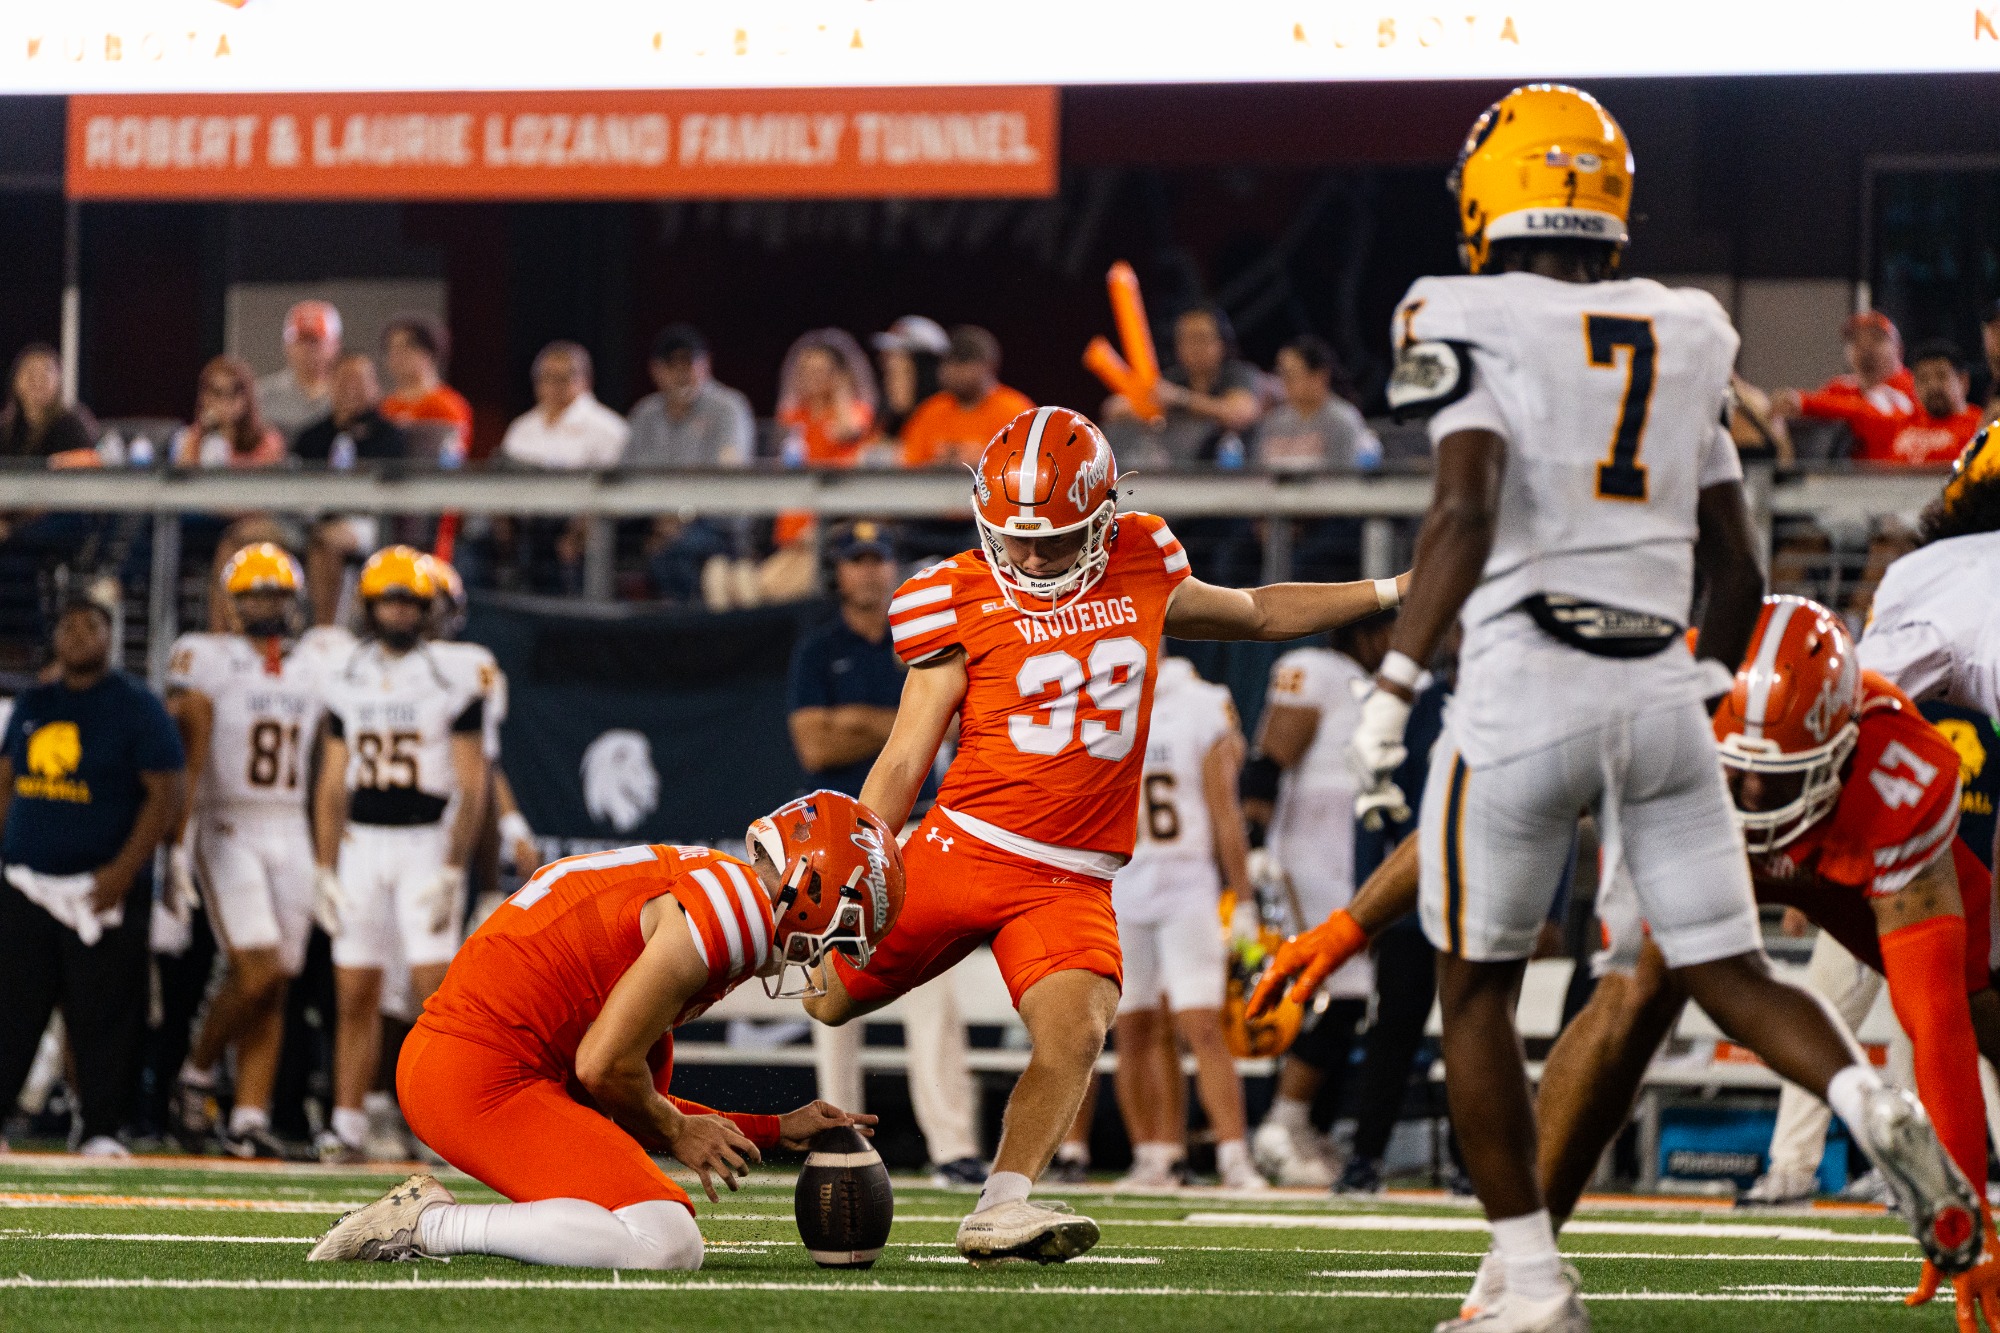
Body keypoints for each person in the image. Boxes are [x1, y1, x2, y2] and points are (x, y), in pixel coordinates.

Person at [1335, 84, 1973, 1330]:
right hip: (1665, 684)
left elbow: (1461, 512)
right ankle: (1868, 1108)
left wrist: (1394, 690)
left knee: (1472, 993)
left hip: (1521, 680)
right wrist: (1686, 690)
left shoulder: (1453, 309)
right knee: (1730, 971)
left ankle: (1528, 1285)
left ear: (1485, 194)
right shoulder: (1689, 328)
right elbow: (1734, 565)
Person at [1260, 596, 2000, 1325]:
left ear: (1842, 742)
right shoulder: (1643, 703)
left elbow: (1934, 1011)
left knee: (1985, 1003)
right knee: (1639, 985)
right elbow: (1478, 810)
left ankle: (1521, 1272)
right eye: (1735, 769)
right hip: (1691, 819)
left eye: (1773, 777)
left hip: (1847, 845)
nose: (1750, 795)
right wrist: (1350, 925)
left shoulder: (1899, 769)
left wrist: (1964, 1205)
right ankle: (1520, 1259)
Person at [801, 404, 1405, 1265]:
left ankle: (1001, 1205)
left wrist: (1391, 590)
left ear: (1104, 514)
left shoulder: (1143, 558)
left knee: (1078, 1030)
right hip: (962, 844)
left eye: (1058, 537)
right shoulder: (953, 592)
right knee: (824, 996)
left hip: (1070, 877)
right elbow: (906, 753)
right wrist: (863, 855)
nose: (1036, 556)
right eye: (1019, 537)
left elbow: (1260, 611)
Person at [307, 792, 892, 1269]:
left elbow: (626, 1090)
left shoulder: (717, 885)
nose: (822, 956)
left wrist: (771, 1128)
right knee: (665, 1243)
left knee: (652, 1149)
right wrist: (678, 1130)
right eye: (837, 936)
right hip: (478, 1076)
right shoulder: (732, 914)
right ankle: (430, 1225)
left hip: (482, 1061)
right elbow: (604, 1069)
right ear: (811, 893)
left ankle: (432, 1222)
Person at [785, 521, 983, 1187]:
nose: (871, 572)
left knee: (932, 991)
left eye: (880, 559)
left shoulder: (923, 639)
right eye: (857, 560)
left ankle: (952, 1143)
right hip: (836, 836)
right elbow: (815, 743)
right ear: (836, 572)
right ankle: (836, 1131)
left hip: (920, 830)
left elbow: (951, 723)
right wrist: (907, 719)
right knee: (829, 995)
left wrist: (862, 723)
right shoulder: (821, 650)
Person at [311, 546, 489, 1163]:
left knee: (433, 994)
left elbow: (473, 782)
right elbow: (331, 785)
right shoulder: (346, 674)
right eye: (390, 600)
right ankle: (347, 1124)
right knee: (354, 991)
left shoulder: (452, 675)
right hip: (363, 843)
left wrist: (451, 866)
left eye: (409, 601)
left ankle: (439, 1122)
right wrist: (324, 868)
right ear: (369, 605)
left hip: (424, 840)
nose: (399, 612)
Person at [164, 544, 342, 1159]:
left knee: (279, 981)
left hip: (288, 825)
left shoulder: (314, 661)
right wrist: (177, 844)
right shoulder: (204, 657)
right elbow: (182, 754)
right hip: (227, 823)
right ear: (231, 602)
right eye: (253, 594)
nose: (265, 605)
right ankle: (195, 1075)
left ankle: (247, 1117)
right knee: (258, 968)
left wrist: (324, 858)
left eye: (275, 593)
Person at [0, 596, 185, 1156]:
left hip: (100, 886)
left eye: (92, 626)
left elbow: (167, 792)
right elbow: (6, 780)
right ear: (54, 637)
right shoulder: (34, 702)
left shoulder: (136, 706)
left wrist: (124, 870)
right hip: (26, 882)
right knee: (11, 1008)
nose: (79, 636)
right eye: (69, 627)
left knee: (104, 1015)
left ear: (110, 637)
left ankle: (102, 1127)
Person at [1247, 614, 1395, 1187]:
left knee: (1349, 999)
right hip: (1312, 860)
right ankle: (1283, 1125)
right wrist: (1257, 843)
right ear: (1361, 632)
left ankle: (1304, 1124)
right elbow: (1267, 765)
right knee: (1340, 993)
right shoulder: (1317, 670)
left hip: (1358, 858)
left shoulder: (1387, 684)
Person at [1106, 656, 1262, 1190]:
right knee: (1133, 1028)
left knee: (1201, 1025)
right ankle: (1155, 1155)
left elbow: (1225, 812)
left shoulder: (1200, 702)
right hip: (1123, 882)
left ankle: (1234, 1157)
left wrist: (1242, 898)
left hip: (1186, 881)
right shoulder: (1097, 698)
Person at [1103, 304, 1264, 467]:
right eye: (1185, 339)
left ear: (1222, 342)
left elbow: (1240, 413)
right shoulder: (1173, 378)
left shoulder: (1239, 373)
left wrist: (1180, 399)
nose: (1194, 347)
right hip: (1176, 470)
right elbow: (1115, 407)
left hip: (1230, 472)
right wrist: (1140, 405)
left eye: (1201, 338)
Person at [1771, 310, 1916, 462]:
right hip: (1848, 480)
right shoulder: (1841, 387)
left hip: (1899, 477)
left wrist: (1805, 402)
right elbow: (1803, 409)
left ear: (1898, 348)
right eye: (1856, 341)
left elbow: (1873, 414)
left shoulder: (1911, 385)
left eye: (1876, 339)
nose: (1866, 348)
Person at [898, 326, 1035, 469]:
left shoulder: (1015, 412)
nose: (953, 372)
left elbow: (1027, 470)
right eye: (949, 364)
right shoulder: (931, 410)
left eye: (963, 363)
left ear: (988, 366)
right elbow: (908, 467)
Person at [623, 324, 755, 469]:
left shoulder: (727, 408)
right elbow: (625, 472)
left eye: (688, 363)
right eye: (672, 364)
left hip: (708, 491)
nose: (681, 374)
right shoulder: (645, 414)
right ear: (655, 370)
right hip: (651, 492)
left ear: (706, 364)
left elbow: (729, 474)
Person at [1256, 335, 1382, 472]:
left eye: (1291, 375)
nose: (1284, 382)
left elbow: (1344, 480)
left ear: (1318, 376)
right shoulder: (1274, 423)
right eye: (1281, 374)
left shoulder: (1342, 421)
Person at [500, 342, 629, 470]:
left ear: (586, 380)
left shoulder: (609, 429)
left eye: (563, 378)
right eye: (546, 377)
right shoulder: (521, 427)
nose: (553, 386)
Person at [379, 314, 473, 466]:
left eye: (405, 348)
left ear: (428, 352)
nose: (396, 356)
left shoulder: (448, 405)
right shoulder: (385, 407)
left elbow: (453, 455)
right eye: (391, 349)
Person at [777, 331, 878, 468]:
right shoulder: (793, 415)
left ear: (836, 374)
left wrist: (842, 390)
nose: (812, 378)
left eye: (820, 371)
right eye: (806, 371)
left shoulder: (856, 410)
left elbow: (849, 433)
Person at [293, 354, 409, 468]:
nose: (350, 389)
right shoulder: (310, 439)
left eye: (358, 381)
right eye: (344, 380)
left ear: (375, 387)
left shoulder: (391, 439)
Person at [1884, 339, 1985, 466]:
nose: (1933, 385)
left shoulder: (1981, 425)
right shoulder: (1900, 425)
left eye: (1941, 376)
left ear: (1963, 381)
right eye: (1923, 379)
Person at [171, 356, 286, 468]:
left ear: (247, 397)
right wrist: (207, 435)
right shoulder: (190, 439)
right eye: (217, 392)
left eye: (235, 392)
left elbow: (265, 483)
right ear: (204, 398)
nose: (226, 401)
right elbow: (184, 481)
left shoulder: (269, 441)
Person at [257, 300, 342, 442]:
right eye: (300, 341)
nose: (307, 349)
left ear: (335, 344)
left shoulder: (349, 395)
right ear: (287, 345)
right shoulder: (262, 394)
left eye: (315, 341)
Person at [1, 344, 96, 459]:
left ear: (59, 380)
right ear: (16, 380)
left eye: (45, 372)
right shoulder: (6, 428)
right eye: (30, 372)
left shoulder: (72, 426)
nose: (37, 380)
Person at [874, 315, 950, 441]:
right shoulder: (886, 427)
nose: (890, 384)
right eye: (888, 374)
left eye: (901, 374)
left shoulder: (948, 427)